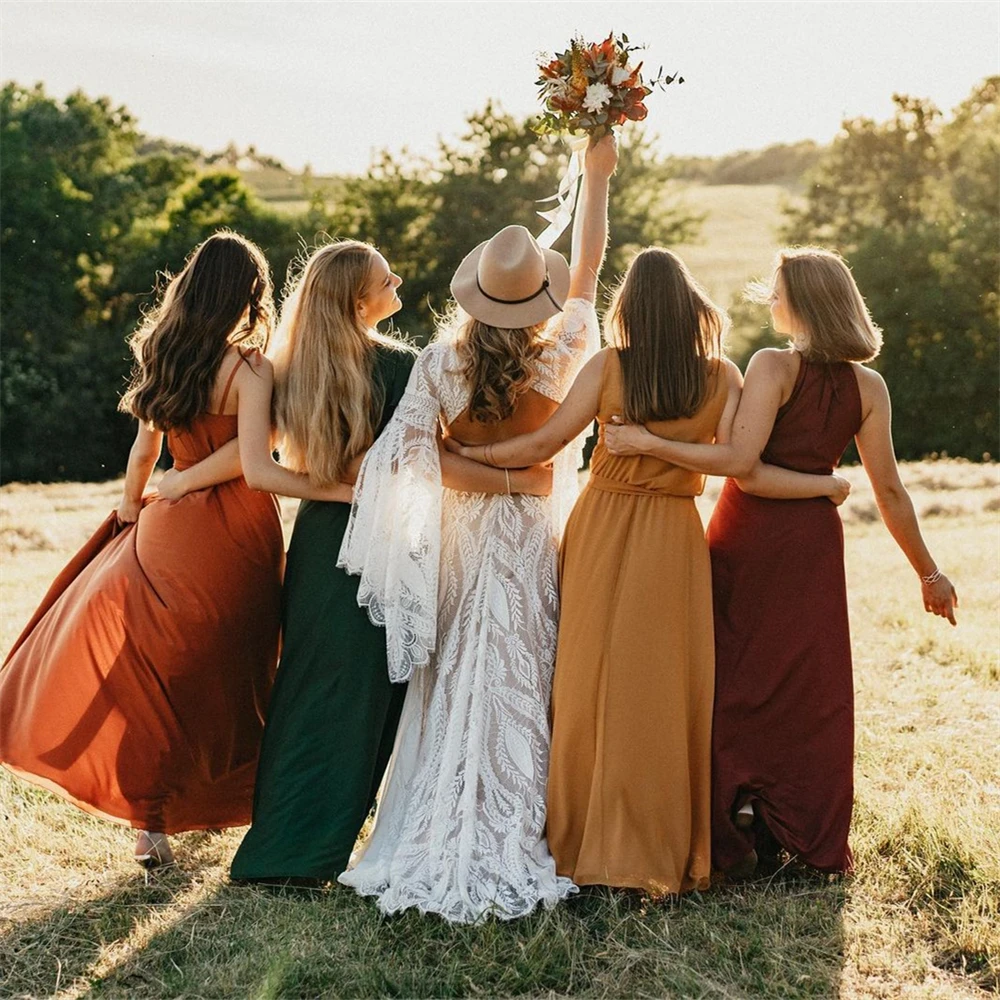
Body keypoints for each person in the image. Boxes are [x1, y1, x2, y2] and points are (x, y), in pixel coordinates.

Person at [446, 245, 845, 894]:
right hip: (672, 535)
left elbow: (547, 444)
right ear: (692, 309)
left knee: (584, 683)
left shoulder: (609, 366)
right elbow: (736, 464)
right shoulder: (723, 378)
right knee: (662, 690)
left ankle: (579, 843)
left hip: (604, 523)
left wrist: (466, 449)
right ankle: (657, 845)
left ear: (627, 308)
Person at [158, 239, 548, 886]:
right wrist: (519, 477)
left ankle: (280, 843)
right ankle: (304, 855)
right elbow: (425, 458)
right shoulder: (404, 367)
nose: (396, 278)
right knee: (366, 698)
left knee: (307, 687)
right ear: (358, 300)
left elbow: (270, 463)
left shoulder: (287, 367)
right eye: (383, 277)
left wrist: (186, 478)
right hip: (385, 540)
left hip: (316, 544)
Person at [603, 246, 958, 877]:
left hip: (752, 538)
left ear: (804, 304)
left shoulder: (771, 366)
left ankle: (740, 815)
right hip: (813, 543)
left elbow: (749, 471)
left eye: (778, 290)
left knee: (735, 677)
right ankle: (784, 823)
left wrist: (647, 441)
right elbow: (891, 492)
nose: (769, 297)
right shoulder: (868, 387)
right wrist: (926, 571)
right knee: (806, 686)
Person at [335, 135, 619, 921]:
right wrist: (598, 176)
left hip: (463, 536)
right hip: (528, 534)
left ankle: (442, 820)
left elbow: (410, 463)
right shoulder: (563, 350)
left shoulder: (437, 364)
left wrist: (484, 472)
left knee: (464, 664)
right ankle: (522, 824)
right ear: (537, 299)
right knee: (524, 669)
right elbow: (591, 265)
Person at [0, 232, 337, 868]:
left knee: (159, 677)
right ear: (249, 295)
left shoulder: (164, 350)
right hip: (237, 537)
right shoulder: (250, 369)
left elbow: (143, 451)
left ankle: (152, 823)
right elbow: (252, 461)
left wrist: (134, 505)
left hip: (171, 532)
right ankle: (233, 802)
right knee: (238, 674)